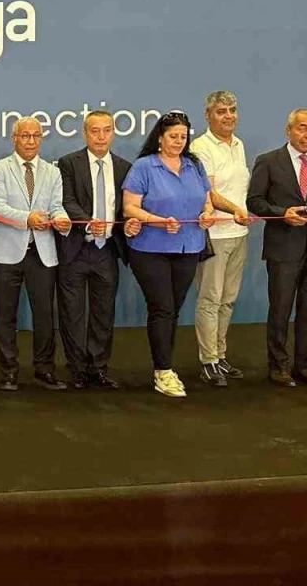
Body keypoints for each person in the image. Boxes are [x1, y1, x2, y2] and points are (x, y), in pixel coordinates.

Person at [247, 109, 307, 388]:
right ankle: (278, 366)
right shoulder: (268, 161)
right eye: (302, 128)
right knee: (280, 309)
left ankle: (305, 365)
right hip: (283, 248)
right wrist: (282, 213)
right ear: (288, 130)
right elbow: (254, 201)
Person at [121, 110, 217, 398]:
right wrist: (157, 221)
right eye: (173, 136)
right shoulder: (144, 166)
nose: (178, 141)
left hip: (189, 247)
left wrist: (207, 215)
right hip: (151, 249)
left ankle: (166, 366)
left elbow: (207, 201)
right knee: (162, 308)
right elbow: (130, 207)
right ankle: (163, 371)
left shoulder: (194, 165)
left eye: (183, 137)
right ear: (160, 138)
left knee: (173, 309)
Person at [0, 117, 72, 391]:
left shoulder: (52, 172)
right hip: (6, 253)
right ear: (14, 139)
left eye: (36, 136)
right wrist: (28, 218)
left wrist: (63, 220)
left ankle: (44, 369)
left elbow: (57, 205)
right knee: (5, 315)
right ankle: (8, 370)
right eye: (25, 136)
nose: (31, 141)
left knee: (45, 314)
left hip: (42, 252)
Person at [56, 110, 134, 390]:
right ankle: (77, 369)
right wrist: (88, 222)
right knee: (72, 313)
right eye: (95, 131)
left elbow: (127, 207)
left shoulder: (125, 167)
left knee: (103, 312)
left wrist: (131, 222)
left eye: (106, 130)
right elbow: (66, 200)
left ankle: (99, 367)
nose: (101, 136)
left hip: (107, 251)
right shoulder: (68, 163)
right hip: (76, 249)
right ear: (84, 133)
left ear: (113, 132)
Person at [189, 91, 253, 387]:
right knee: (210, 299)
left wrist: (241, 213)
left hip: (239, 234)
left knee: (227, 300)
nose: (228, 116)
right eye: (221, 111)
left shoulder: (238, 145)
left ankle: (221, 354)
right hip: (213, 235)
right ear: (208, 116)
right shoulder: (200, 147)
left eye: (232, 110)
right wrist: (236, 210)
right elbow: (209, 193)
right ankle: (208, 360)